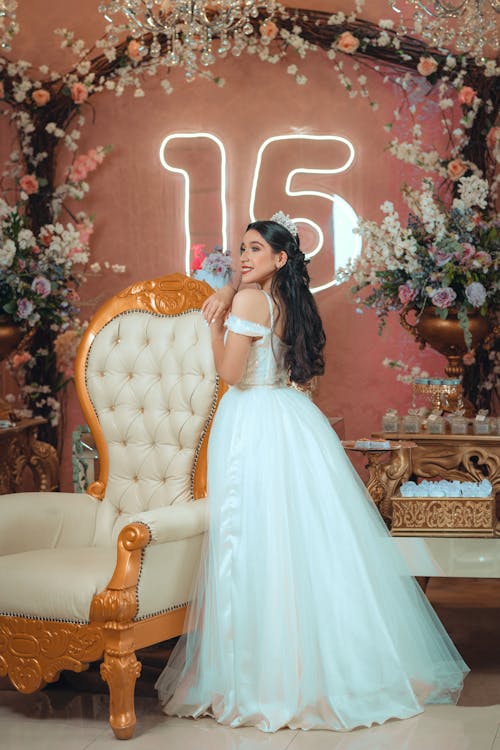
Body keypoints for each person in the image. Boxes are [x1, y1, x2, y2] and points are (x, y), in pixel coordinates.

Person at [156, 212, 468, 732]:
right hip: (288, 416)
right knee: (300, 543)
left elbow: (231, 375)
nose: (243, 256)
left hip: (252, 419)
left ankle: (262, 675)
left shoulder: (252, 300)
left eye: (255, 249)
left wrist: (214, 322)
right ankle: (323, 665)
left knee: (253, 540)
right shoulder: (286, 300)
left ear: (279, 258)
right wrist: (232, 290)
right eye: (241, 248)